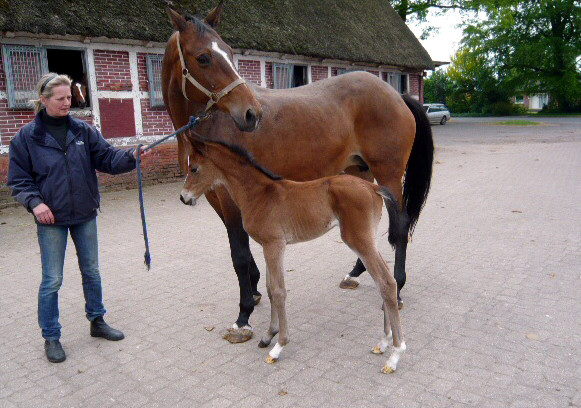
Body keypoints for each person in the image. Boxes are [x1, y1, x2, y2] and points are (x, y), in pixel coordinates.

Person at [7, 73, 148, 363]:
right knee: (52, 280)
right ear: (44, 100)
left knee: (92, 271)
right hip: (51, 220)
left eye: (69, 97)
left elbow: (108, 158)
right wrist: (35, 204)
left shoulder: (83, 131)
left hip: (84, 213)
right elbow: (18, 181)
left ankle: (97, 321)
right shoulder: (26, 137)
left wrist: (132, 157)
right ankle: (51, 336)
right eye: (60, 98)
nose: (67, 103)